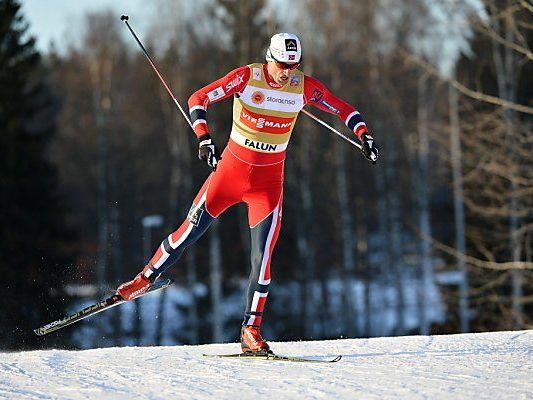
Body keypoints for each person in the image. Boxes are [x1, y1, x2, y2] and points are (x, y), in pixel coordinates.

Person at [117, 33, 379, 353]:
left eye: (294, 65)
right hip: (229, 174)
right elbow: (198, 99)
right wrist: (204, 139)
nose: (288, 71)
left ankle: (250, 331)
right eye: (283, 64)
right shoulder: (246, 77)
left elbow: (345, 110)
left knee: (263, 258)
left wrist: (364, 135)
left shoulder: (303, 86)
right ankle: (143, 280)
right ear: (270, 58)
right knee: (187, 233)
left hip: (267, 186)